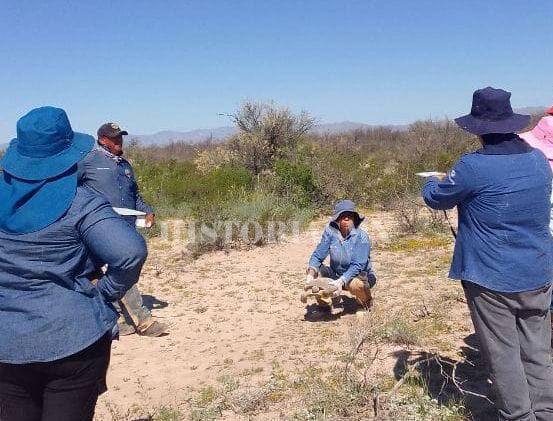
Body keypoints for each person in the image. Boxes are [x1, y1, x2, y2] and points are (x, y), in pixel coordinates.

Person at [0, 106, 147, 420]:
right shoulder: (82, 203)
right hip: (73, 338)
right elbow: (130, 252)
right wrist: (104, 293)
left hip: (6, 344)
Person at [422, 87, 553, 420]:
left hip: (491, 277)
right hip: (538, 272)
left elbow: (438, 198)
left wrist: (430, 183)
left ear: (477, 128)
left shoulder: (472, 167)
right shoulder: (538, 161)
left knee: (503, 355)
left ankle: (519, 416)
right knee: (537, 350)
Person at [78, 122, 166, 337]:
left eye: (120, 137)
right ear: (102, 140)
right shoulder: (88, 162)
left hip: (125, 226)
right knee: (120, 269)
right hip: (99, 228)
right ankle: (143, 320)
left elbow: (134, 194)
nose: (119, 141)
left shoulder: (125, 165)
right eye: (114, 138)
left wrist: (146, 210)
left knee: (109, 273)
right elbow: (72, 189)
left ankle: (117, 319)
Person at [306, 199, 376, 311]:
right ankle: (324, 304)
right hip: (336, 274)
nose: (347, 219)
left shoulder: (362, 237)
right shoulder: (330, 233)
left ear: (354, 218)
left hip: (359, 276)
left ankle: (365, 302)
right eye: (343, 216)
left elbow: (358, 265)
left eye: (350, 215)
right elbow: (317, 256)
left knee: (356, 284)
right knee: (316, 273)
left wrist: (341, 281)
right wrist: (310, 276)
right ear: (337, 219)